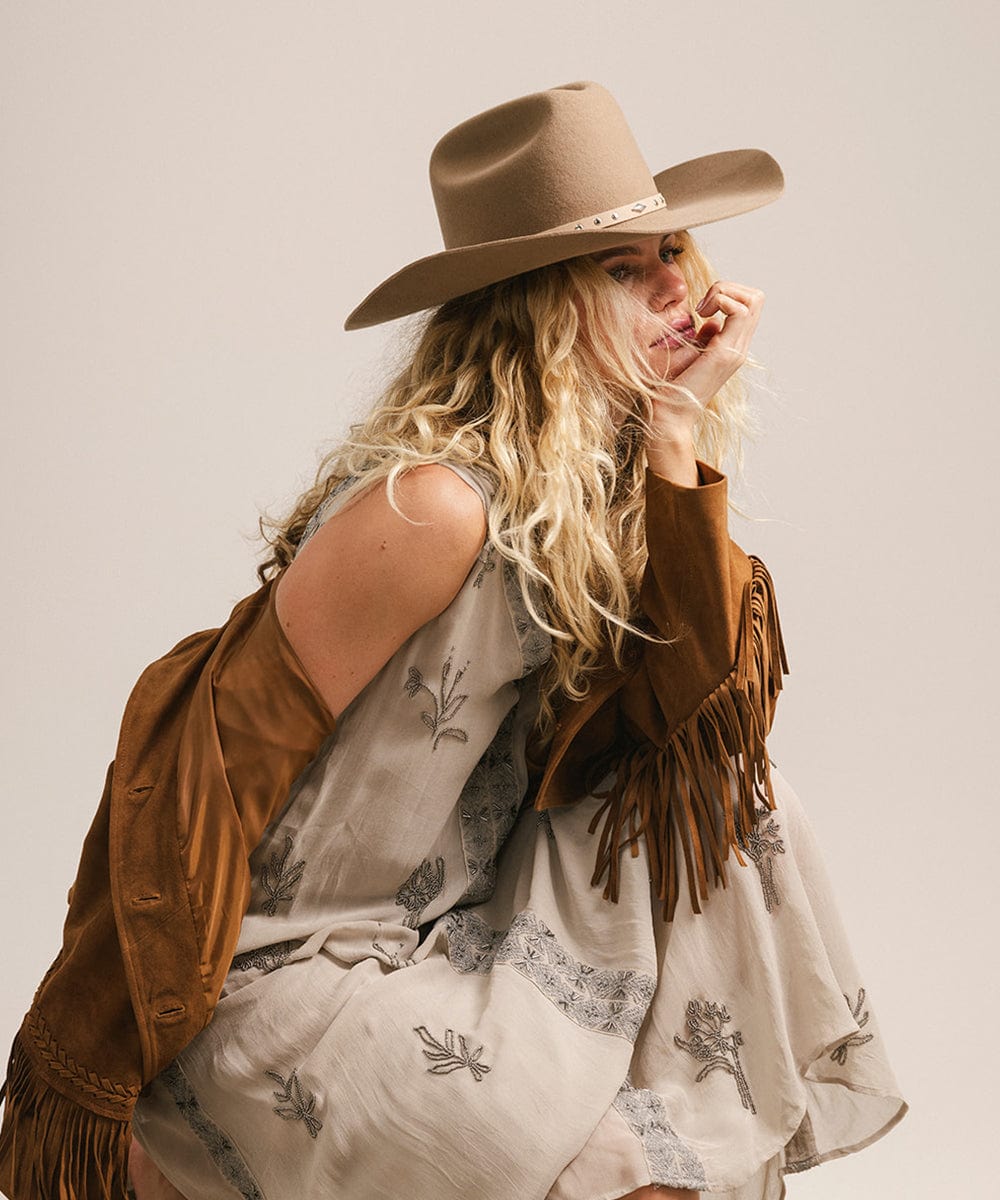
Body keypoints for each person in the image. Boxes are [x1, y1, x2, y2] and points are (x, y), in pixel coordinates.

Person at [0, 81, 907, 1200]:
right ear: (536, 303)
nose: (678, 283)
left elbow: (705, 715)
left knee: (741, 801)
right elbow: (200, 775)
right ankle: (176, 1156)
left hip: (462, 915)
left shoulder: (594, 502)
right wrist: (92, 1058)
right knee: (567, 1160)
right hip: (290, 959)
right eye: (624, 269)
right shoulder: (433, 506)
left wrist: (673, 431)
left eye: (671, 248)